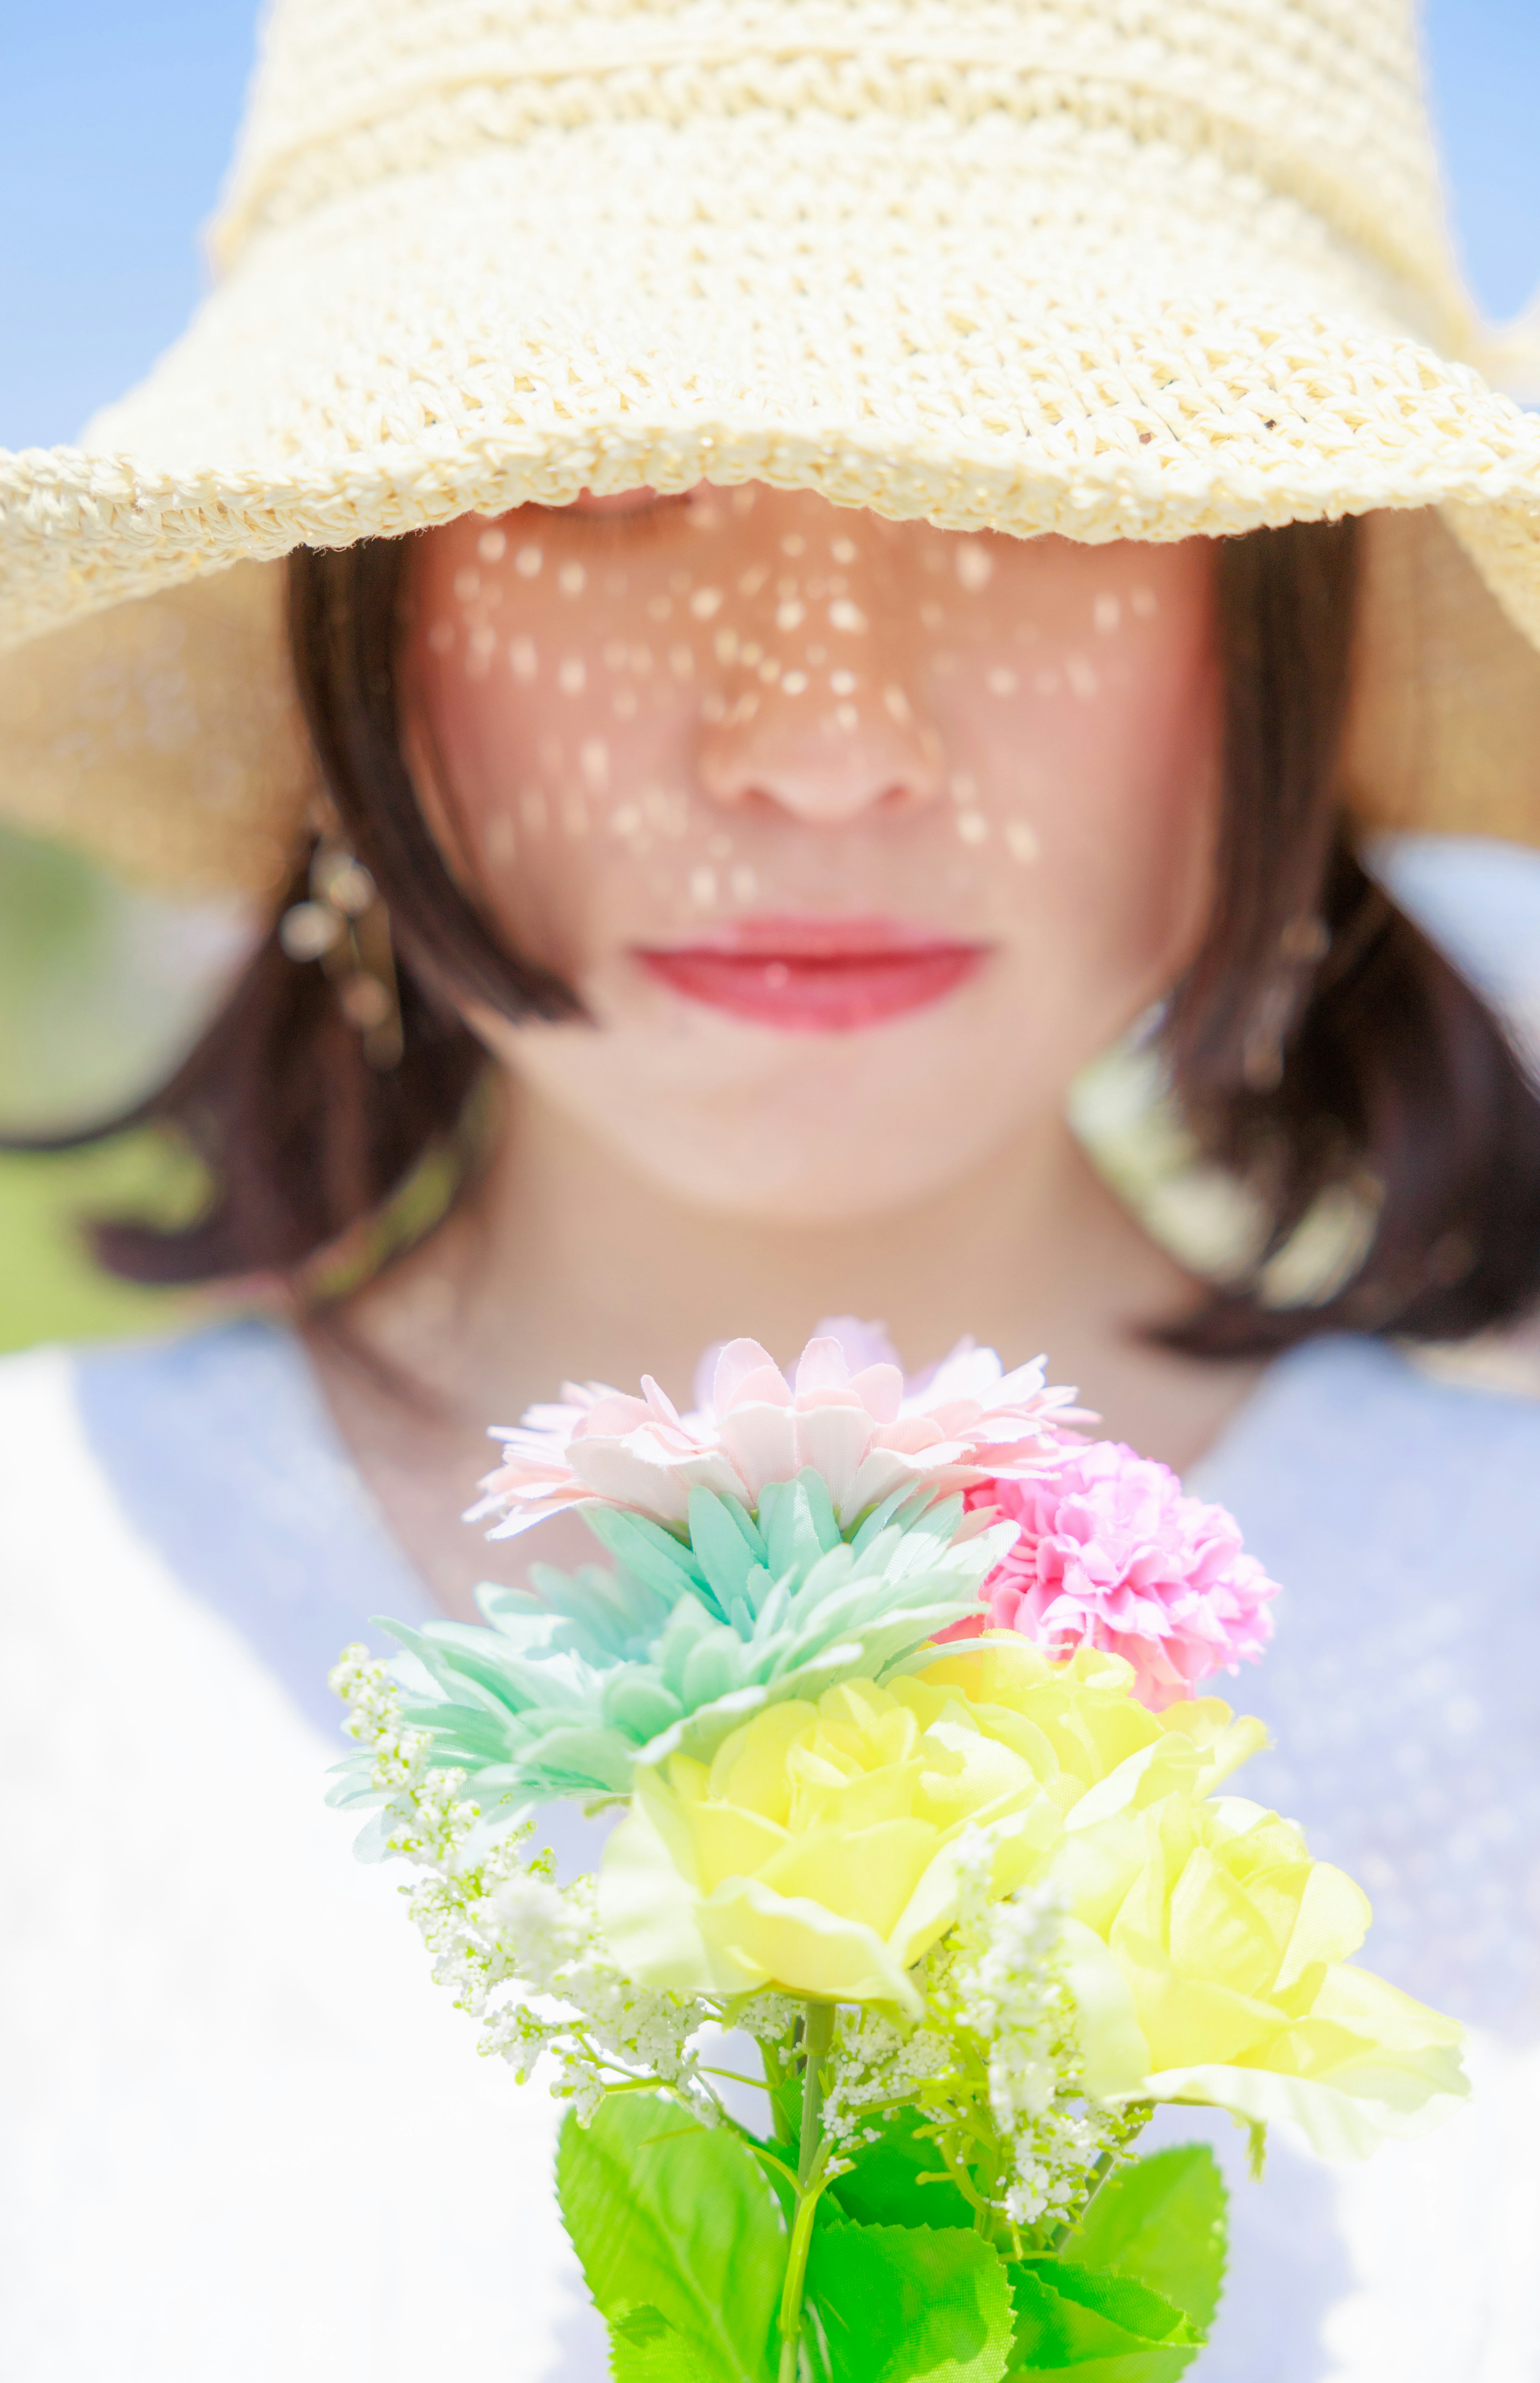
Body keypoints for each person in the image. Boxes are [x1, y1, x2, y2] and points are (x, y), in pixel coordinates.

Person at [2, 2, 1540, 2377]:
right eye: (598, 494)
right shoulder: (54, 1620)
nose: (822, 737)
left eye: (1039, 494)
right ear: (351, 615)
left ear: (1290, 615)